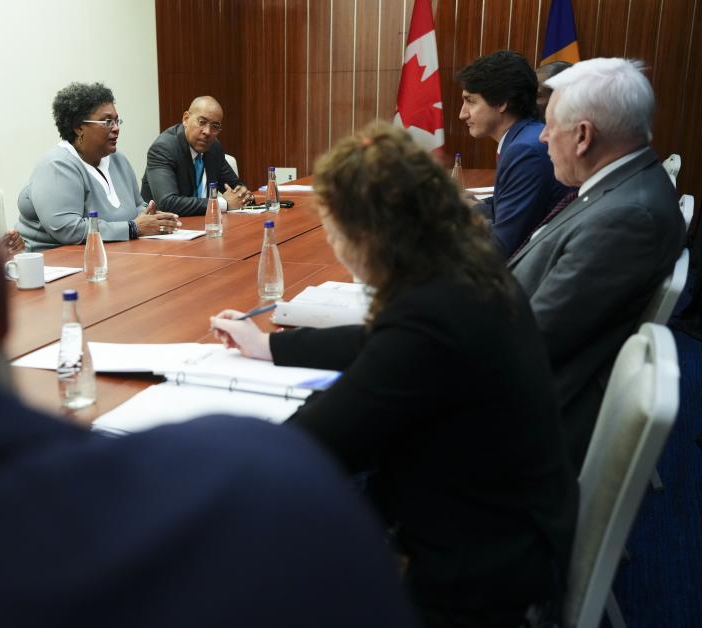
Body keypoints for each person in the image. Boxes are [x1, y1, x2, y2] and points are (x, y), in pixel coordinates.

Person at [0, 42, 421, 627]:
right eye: (109, 120)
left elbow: (128, 213)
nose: (119, 130)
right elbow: (91, 226)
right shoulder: (275, 498)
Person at [211, 121, 577, 628]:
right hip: (507, 520)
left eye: (333, 230)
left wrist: (203, 443)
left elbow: (317, 443)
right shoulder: (465, 272)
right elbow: (378, 346)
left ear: (367, 236)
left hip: (472, 575)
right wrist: (270, 344)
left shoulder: (432, 315)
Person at [510, 58, 686, 468]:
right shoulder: (628, 185)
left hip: (521, 419)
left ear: (584, 136)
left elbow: (529, 341)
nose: (542, 138)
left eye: (550, 126)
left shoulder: (627, 219)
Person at [16, 82, 181, 250]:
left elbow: (137, 205)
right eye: (107, 122)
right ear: (79, 128)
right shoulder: (56, 166)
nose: (116, 128)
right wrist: (133, 228)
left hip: (113, 252)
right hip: (55, 261)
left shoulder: (118, 159)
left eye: (117, 121)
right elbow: (68, 229)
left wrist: (152, 217)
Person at [458, 50, 569, 257]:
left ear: (501, 103)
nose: (462, 113)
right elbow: (504, 206)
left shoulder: (526, 150)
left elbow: (502, 245)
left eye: (471, 101)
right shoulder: (524, 136)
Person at [141, 96, 254, 216]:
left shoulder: (213, 148)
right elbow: (167, 203)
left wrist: (245, 196)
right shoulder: (163, 149)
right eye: (202, 122)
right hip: (164, 227)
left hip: (204, 224)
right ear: (186, 119)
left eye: (215, 126)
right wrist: (221, 203)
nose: (207, 132)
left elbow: (237, 189)